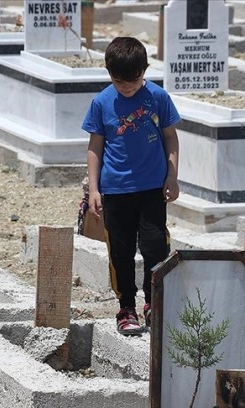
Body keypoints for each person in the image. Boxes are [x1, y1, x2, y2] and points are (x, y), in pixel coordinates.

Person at [82, 37, 181, 336]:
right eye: (118, 80)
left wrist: (172, 175)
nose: (126, 87)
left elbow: (170, 137)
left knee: (154, 245)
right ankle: (126, 306)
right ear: (108, 72)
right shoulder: (101, 102)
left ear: (145, 70)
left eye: (133, 80)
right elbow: (95, 147)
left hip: (152, 188)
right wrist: (94, 189)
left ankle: (155, 301)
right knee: (120, 251)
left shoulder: (158, 97)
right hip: (116, 189)